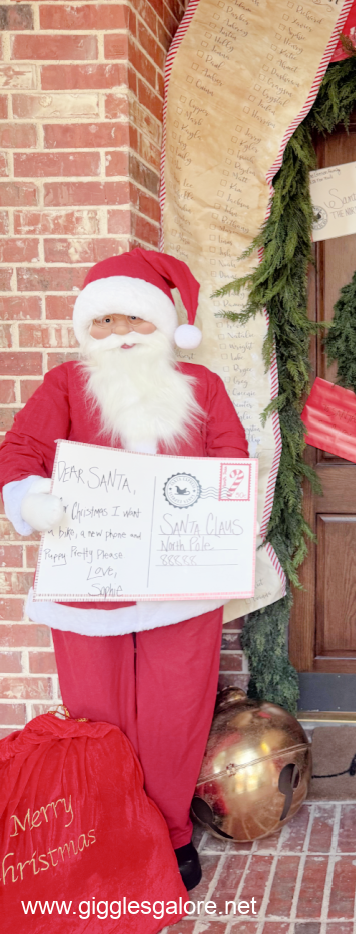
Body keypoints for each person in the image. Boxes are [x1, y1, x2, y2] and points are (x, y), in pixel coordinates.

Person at [0, 248, 249, 890]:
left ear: (164, 326)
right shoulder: (64, 385)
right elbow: (22, 449)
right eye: (104, 322)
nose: (120, 335)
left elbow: (230, 460)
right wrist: (30, 496)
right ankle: (107, 828)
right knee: (96, 716)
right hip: (88, 584)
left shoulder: (203, 389)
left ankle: (168, 834)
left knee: (174, 715)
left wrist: (225, 521)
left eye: (134, 321)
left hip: (181, 590)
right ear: (88, 331)